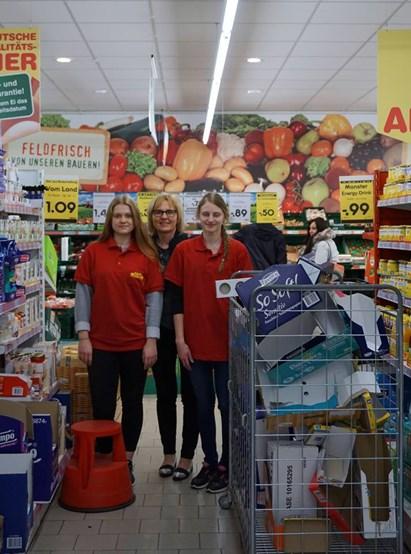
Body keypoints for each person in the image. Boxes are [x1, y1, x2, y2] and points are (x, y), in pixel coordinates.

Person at [165, 192, 253, 494]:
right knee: (202, 407)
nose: (211, 220)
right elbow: (175, 299)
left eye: (216, 214)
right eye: (206, 214)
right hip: (195, 345)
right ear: (198, 217)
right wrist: (179, 340)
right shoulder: (185, 250)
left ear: (224, 217)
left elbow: (247, 298)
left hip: (230, 346)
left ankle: (227, 464)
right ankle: (210, 462)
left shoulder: (238, 251)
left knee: (228, 407)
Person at [74, 195, 163, 484]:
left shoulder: (146, 256)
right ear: (110, 220)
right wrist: (84, 336)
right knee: (102, 404)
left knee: (133, 402)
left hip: (136, 345)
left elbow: (155, 301)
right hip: (100, 344)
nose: (123, 220)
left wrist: (151, 340)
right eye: (117, 216)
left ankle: (125, 459)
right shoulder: (93, 252)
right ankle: (103, 457)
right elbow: (83, 296)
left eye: (128, 216)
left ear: (135, 221)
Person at [147, 193, 199, 481]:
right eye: (158, 212)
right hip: (157, 329)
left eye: (169, 212)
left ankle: (188, 456)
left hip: (189, 328)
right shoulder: (145, 247)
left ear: (177, 216)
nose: (164, 216)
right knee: (165, 395)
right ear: (152, 217)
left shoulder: (190, 245)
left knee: (192, 395)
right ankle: (168, 453)